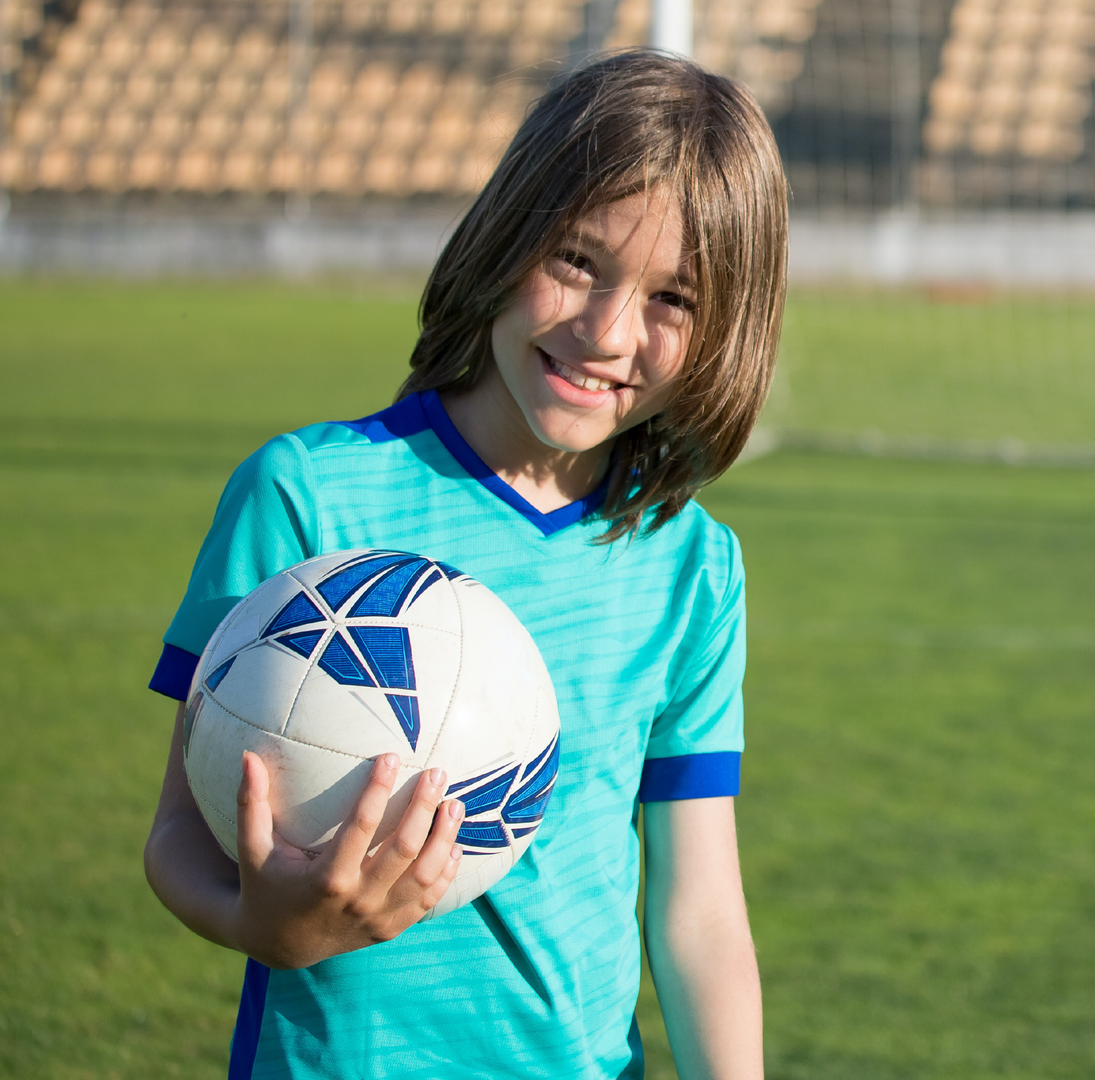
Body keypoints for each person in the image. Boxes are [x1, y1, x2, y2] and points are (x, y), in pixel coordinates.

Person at [142, 51, 786, 1079]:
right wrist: (258, 922)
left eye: (674, 297)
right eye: (577, 260)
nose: (607, 332)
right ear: (506, 233)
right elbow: (179, 831)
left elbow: (698, 909)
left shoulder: (691, 567)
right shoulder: (309, 497)